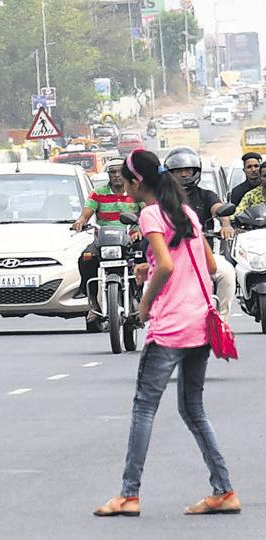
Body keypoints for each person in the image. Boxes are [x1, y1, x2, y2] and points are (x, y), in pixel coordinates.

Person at [94, 149, 240, 518]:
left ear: (136, 182)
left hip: (171, 326)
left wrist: (144, 304)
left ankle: (129, 494)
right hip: (200, 324)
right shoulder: (186, 212)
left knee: (144, 408)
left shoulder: (149, 214)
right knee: (193, 409)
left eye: (124, 180)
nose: (122, 186)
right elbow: (206, 263)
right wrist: (149, 265)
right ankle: (223, 490)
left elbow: (169, 266)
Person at [163, 148, 236, 319]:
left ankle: (222, 320)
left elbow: (219, 209)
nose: (183, 174)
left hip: (203, 254)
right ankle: (159, 325)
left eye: (187, 170)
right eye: (178, 171)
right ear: (169, 174)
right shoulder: (162, 199)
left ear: (196, 171)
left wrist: (225, 224)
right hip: (171, 256)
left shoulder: (206, 195)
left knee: (227, 273)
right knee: (149, 284)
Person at [73, 157, 143, 322]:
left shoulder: (135, 192)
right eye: (112, 172)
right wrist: (81, 221)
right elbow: (86, 213)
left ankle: (140, 300)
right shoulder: (98, 193)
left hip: (131, 240)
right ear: (108, 175)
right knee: (86, 259)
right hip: (104, 241)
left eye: (120, 172)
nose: (117, 175)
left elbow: (147, 212)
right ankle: (93, 304)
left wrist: (139, 229)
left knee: (145, 258)